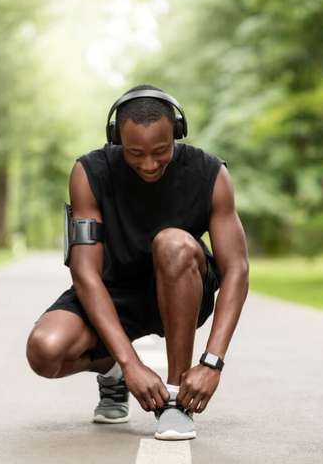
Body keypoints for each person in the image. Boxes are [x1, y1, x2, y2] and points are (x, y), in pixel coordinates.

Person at [26, 84, 249, 440]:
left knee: (173, 243)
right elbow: (85, 273)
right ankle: (112, 371)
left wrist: (212, 362)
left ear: (177, 132)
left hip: (184, 285)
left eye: (161, 151)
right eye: (135, 153)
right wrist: (130, 365)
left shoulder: (210, 174)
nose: (149, 164)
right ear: (116, 139)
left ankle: (175, 401)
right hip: (113, 291)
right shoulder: (89, 172)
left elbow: (236, 269)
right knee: (45, 351)